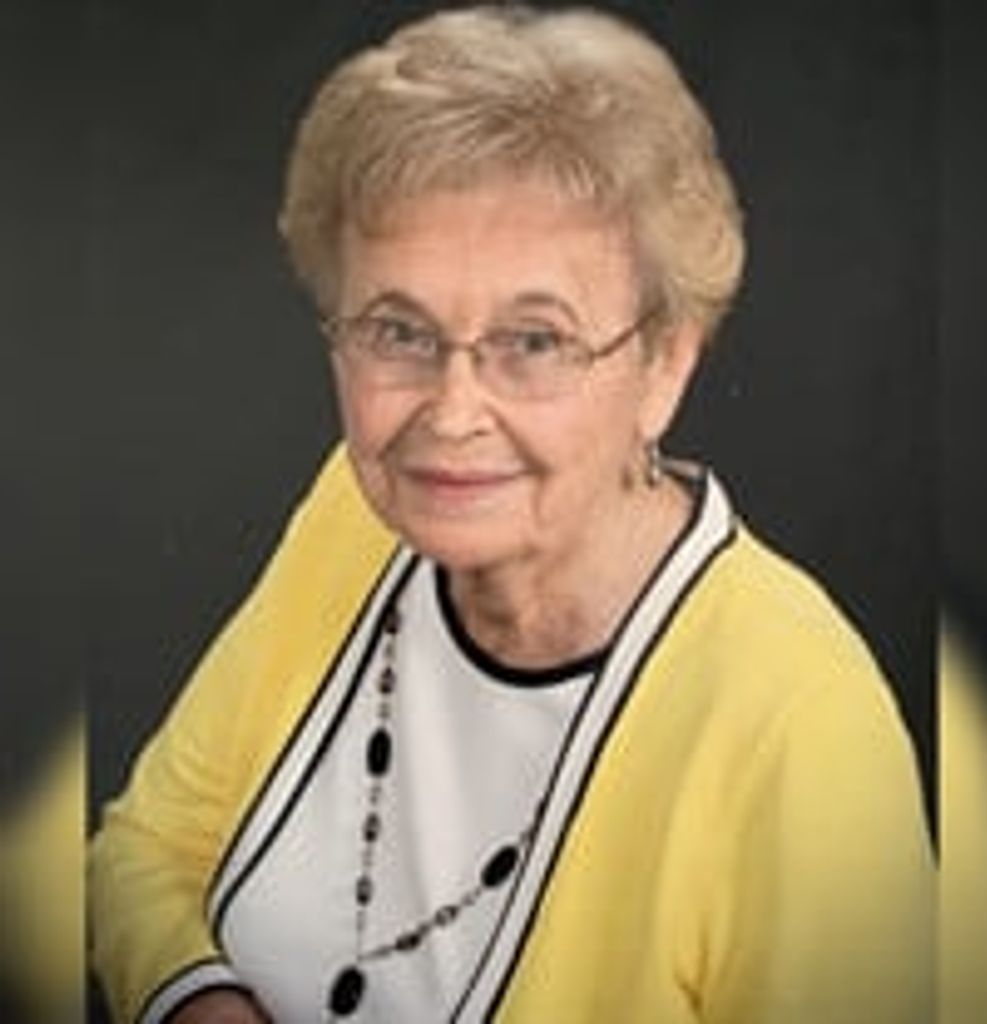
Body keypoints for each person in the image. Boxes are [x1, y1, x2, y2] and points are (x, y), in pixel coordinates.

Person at [90, 6, 934, 1022]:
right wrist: (199, 1002)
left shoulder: (801, 726)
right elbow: (142, 850)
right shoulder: (358, 518)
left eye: (533, 341)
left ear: (664, 366)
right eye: (398, 330)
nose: (451, 416)